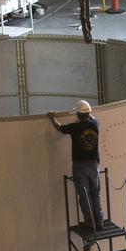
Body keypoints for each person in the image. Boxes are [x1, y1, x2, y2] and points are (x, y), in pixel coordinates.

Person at [48, 100, 104, 236]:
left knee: (84, 196)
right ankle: (99, 222)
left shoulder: (75, 128)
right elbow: (92, 117)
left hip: (80, 166)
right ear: (89, 113)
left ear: (78, 115)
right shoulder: (96, 124)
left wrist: (52, 117)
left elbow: (59, 128)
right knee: (95, 193)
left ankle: (90, 225)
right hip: (93, 165)